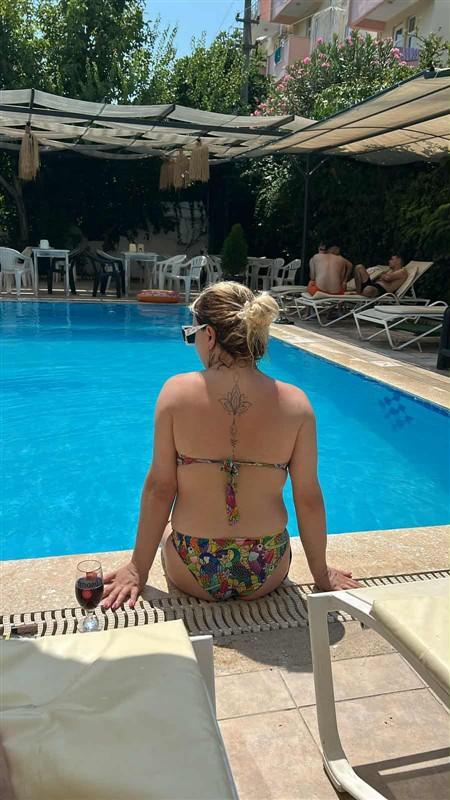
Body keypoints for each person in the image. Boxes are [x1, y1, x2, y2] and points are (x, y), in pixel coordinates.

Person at [103, 282, 360, 608]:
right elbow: (307, 498)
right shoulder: (297, 404)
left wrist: (137, 570)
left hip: (192, 563)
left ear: (209, 334)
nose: (193, 343)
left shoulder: (176, 393)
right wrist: (321, 573)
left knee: (169, 529)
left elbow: (160, 488)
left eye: (191, 334)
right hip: (267, 565)